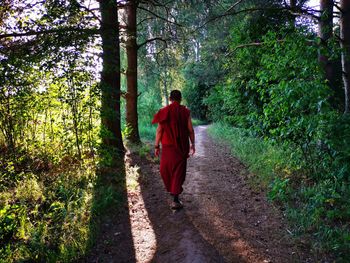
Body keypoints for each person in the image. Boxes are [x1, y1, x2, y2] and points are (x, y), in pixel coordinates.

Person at [152, 90, 195, 210]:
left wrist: (156, 146)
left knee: (165, 169)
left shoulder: (164, 111)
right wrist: (193, 144)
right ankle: (175, 198)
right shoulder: (185, 112)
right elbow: (190, 130)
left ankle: (173, 194)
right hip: (182, 147)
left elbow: (159, 130)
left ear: (170, 99)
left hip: (167, 147)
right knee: (178, 171)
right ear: (180, 99)